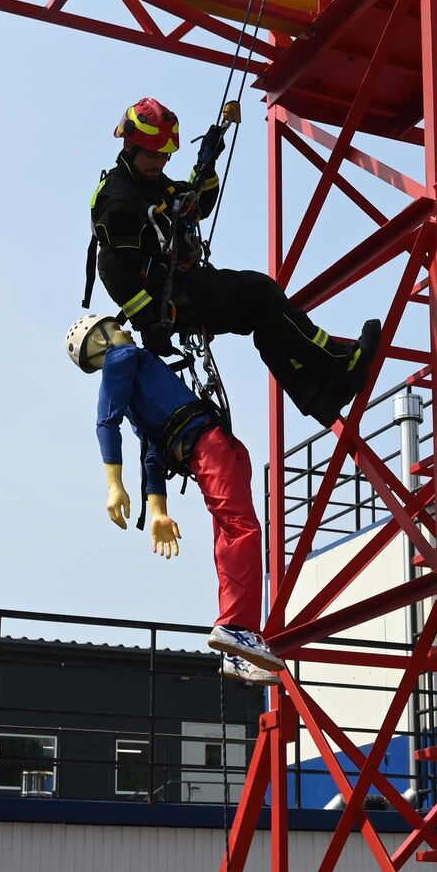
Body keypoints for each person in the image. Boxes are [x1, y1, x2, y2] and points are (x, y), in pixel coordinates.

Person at [85, 97, 381, 428]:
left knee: (264, 314)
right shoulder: (121, 200)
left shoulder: (150, 184)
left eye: (164, 156)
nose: (159, 162)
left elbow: (196, 204)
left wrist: (207, 164)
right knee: (259, 292)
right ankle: (341, 367)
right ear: (130, 144)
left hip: (179, 289)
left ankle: (316, 393)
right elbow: (113, 269)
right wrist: (149, 324)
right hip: (168, 302)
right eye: (153, 155)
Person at [66, 313, 287, 685]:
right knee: (242, 531)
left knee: (228, 536)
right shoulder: (123, 358)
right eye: (117, 327)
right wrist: (114, 484)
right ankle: (236, 627)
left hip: (207, 450)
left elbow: (151, 452)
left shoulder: (139, 395)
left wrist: (159, 511)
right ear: (102, 341)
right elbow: (106, 421)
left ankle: (236, 649)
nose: (128, 330)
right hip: (207, 445)